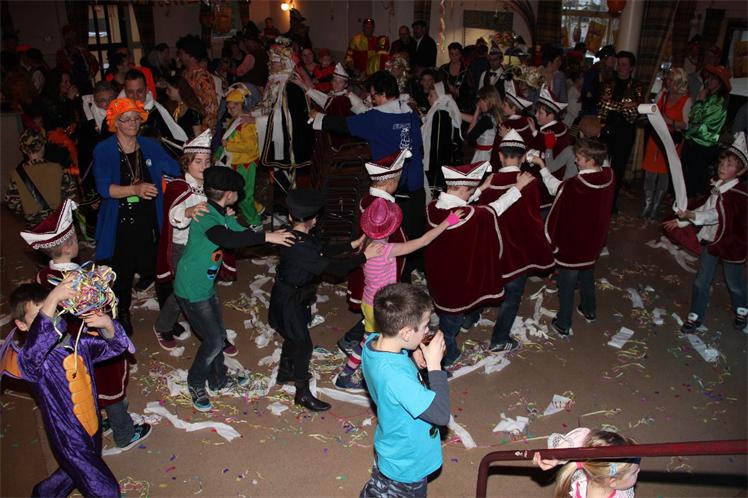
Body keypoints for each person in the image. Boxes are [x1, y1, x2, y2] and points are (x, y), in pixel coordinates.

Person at [21, 200, 151, 452]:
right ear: (69, 245)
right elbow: (99, 307)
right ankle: (124, 433)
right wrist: (103, 283)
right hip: (92, 342)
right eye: (75, 237)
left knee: (89, 387)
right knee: (111, 388)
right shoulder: (79, 282)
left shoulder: (43, 277)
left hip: (64, 349)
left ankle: (100, 421)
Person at [174, 167, 294, 411]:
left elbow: (241, 234)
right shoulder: (206, 215)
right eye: (238, 192)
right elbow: (227, 239)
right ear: (228, 194)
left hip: (204, 285)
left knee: (217, 335)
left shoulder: (221, 214)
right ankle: (195, 382)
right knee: (213, 341)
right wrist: (267, 237)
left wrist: (266, 235)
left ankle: (218, 380)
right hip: (191, 287)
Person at [4, 275, 132, 497]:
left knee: (72, 473)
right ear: (22, 325)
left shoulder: (76, 344)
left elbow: (116, 347)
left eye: (54, 310)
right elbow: (33, 355)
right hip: (68, 438)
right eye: (41, 314)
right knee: (106, 491)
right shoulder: (32, 362)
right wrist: (53, 297)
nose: (51, 318)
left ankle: (44, 493)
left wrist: (108, 325)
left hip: (92, 427)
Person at [334, 198, 462, 391]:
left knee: (370, 339)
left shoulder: (365, 245)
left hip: (369, 303)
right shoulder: (387, 250)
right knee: (411, 333)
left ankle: (346, 374)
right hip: (387, 306)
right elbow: (424, 241)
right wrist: (448, 221)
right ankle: (430, 370)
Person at [269, 189, 381, 411]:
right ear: (314, 219)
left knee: (293, 336)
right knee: (303, 344)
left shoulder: (293, 235)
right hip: (290, 299)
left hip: (290, 295)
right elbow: (335, 269)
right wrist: (363, 257)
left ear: (291, 217)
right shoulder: (301, 246)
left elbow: (321, 249)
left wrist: (351, 245)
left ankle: (286, 371)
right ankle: (302, 393)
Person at [310, 71, 426, 276]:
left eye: (373, 95)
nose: (372, 100)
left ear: (382, 94)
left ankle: (392, 275)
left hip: (391, 185)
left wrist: (318, 117)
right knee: (413, 231)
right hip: (415, 181)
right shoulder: (410, 113)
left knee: (391, 236)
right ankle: (414, 268)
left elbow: (344, 125)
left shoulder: (376, 117)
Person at [424, 161, 535, 366]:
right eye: (470, 191)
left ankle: (446, 341)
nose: (470, 195)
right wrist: (518, 187)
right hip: (455, 284)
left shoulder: (433, 207)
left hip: (437, 277)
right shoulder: (469, 216)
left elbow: (461, 199)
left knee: (446, 314)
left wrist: (482, 188)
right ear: (463, 188)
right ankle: (448, 355)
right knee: (450, 325)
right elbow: (495, 208)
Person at [93, 98, 182, 336]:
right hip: (120, 220)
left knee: (162, 271)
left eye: (136, 118)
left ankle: (168, 318)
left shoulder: (149, 145)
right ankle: (122, 314)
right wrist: (135, 189)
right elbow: (104, 189)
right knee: (122, 274)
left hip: (151, 219)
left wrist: (195, 162)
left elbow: (174, 168)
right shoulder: (103, 150)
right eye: (126, 119)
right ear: (115, 122)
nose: (133, 123)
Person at [359, 283, 450, 497]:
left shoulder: (373, 343)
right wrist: (435, 366)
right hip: (408, 459)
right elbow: (440, 414)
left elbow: (393, 365)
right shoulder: (396, 378)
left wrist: (413, 354)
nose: (427, 330)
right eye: (425, 325)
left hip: (392, 443)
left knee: (383, 484)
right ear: (407, 333)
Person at [478, 130, 554, 351]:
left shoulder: (490, 181)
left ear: (500, 156)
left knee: (484, 286)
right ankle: (500, 339)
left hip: (491, 249)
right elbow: (532, 220)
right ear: (522, 158)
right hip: (516, 253)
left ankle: (468, 320)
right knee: (512, 297)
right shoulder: (529, 182)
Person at [664, 132, 747, 334]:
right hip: (711, 240)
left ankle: (742, 310)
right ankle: (695, 315)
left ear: (740, 170)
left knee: (734, 282)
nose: (722, 167)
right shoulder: (718, 187)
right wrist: (682, 221)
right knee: (702, 280)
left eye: (729, 165)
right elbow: (706, 208)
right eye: (722, 163)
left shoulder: (737, 194)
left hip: (731, 244)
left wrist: (691, 215)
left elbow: (714, 215)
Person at [154, 130, 223, 351]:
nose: (203, 166)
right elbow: (173, 215)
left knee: (206, 286)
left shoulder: (211, 185)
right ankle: (163, 325)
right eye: (198, 161)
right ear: (186, 163)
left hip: (205, 246)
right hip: (182, 248)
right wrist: (188, 211)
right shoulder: (178, 186)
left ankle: (216, 332)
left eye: (207, 161)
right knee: (183, 291)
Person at [538, 138, 615, 336]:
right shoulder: (608, 175)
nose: (575, 161)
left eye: (579, 159)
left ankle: (563, 324)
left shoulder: (576, 184)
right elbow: (605, 162)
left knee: (567, 282)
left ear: (591, 161)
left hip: (573, 243)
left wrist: (542, 167)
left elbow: (555, 188)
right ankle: (589, 310)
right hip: (594, 240)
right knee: (587, 273)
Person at [338, 150, 411, 355]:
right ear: (390, 183)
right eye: (397, 180)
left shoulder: (369, 199)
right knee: (377, 313)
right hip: (380, 266)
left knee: (372, 312)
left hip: (372, 265)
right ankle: (352, 341)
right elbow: (397, 239)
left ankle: (356, 341)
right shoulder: (382, 207)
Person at [641, 67, 692, 220]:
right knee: (649, 174)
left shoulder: (686, 100)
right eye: (667, 78)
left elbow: (686, 124)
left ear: (678, 82)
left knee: (664, 176)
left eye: (670, 79)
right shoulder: (662, 94)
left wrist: (670, 121)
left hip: (670, 142)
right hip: (655, 139)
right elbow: (653, 111)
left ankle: (655, 207)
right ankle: (647, 205)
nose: (666, 82)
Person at [533, 428, 640, 498]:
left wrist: (559, 453)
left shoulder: (592, 471)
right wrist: (558, 453)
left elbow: (584, 435)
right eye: (634, 472)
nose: (639, 470)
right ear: (612, 481)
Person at [599, 51, 644, 213]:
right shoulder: (608, 82)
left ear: (631, 68)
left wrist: (614, 105)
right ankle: (600, 199)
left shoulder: (637, 86)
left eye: (624, 65)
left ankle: (612, 203)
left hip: (625, 132)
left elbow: (635, 112)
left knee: (618, 169)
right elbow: (603, 105)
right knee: (602, 165)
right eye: (619, 64)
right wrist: (623, 107)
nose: (620, 67)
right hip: (607, 129)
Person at [4, 129, 77, 227]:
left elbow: (10, 201)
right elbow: (71, 195)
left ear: (24, 150)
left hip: (35, 226)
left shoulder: (17, 175)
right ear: (43, 146)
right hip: (59, 223)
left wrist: (27, 212)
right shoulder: (58, 169)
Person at [681, 64, 730, 198]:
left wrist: (699, 102)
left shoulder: (718, 102)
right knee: (687, 177)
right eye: (709, 77)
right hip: (694, 143)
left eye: (713, 78)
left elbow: (699, 123)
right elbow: (692, 117)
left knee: (694, 181)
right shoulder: (709, 97)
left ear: (720, 83)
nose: (709, 80)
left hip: (703, 146)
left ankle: (689, 205)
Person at [218, 85, 263, 228]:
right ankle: (257, 209)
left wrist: (229, 145)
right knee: (237, 193)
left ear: (240, 105)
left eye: (233, 107)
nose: (229, 111)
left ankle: (256, 223)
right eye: (228, 108)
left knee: (243, 196)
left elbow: (251, 147)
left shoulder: (246, 123)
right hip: (235, 163)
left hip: (246, 164)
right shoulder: (234, 121)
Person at [121, 69, 188, 158]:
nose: (135, 96)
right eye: (130, 92)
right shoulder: (116, 115)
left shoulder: (157, 113)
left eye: (139, 91)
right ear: (125, 90)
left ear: (146, 89)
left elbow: (173, 144)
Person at [528, 85, 574, 210]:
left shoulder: (548, 134)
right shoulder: (561, 128)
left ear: (551, 115)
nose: (535, 115)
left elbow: (546, 158)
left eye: (540, 113)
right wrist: (535, 132)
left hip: (545, 183)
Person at [421, 81, 463, 190]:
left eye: (431, 95)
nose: (428, 98)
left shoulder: (440, 113)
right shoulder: (438, 111)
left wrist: (434, 168)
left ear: (440, 95)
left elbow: (437, 145)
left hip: (437, 162)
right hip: (437, 160)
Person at [490, 79, 534, 171]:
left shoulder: (505, 126)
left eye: (505, 105)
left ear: (513, 108)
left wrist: (493, 170)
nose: (502, 107)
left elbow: (496, 154)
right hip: (525, 168)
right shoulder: (526, 122)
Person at [177, 35, 218, 130]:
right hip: (185, 124)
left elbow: (211, 108)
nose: (179, 57)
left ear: (190, 55)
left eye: (181, 53)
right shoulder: (185, 73)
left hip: (198, 128)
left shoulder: (202, 77)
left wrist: (203, 130)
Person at [55, 24, 98, 95]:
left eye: (73, 34)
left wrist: (91, 72)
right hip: (71, 84)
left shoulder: (83, 51)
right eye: (68, 35)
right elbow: (59, 71)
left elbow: (94, 63)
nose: (71, 37)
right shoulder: (61, 53)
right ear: (64, 37)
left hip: (86, 83)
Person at [465, 85, 501, 163]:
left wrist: (476, 112)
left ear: (486, 100)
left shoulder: (487, 119)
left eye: (480, 99)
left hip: (483, 156)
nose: (478, 103)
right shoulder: (495, 115)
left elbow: (469, 137)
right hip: (491, 154)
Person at [164, 75, 205, 139]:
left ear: (179, 89)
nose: (166, 92)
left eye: (169, 89)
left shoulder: (193, 111)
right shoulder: (171, 104)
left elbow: (198, 137)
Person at [581, 44, 616, 117]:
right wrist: (599, 96)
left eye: (614, 57)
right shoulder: (593, 72)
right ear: (604, 59)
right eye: (611, 57)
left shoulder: (614, 74)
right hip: (592, 111)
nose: (614, 60)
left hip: (608, 111)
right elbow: (586, 92)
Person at [439, 42, 473, 112]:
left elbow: (471, 91)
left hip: (462, 107)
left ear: (460, 55)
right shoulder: (443, 69)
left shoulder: (467, 70)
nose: (453, 57)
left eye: (456, 54)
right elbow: (438, 85)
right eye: (451, 54)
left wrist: (457, 91)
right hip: (445, 106)